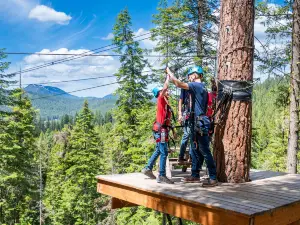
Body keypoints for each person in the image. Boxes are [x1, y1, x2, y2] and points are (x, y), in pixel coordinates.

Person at [167, 66, 218, 187]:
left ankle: (213, 177)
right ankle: (195, 175)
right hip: (196, 122)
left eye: (190, 75)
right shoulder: (202, 88)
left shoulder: (197, 85)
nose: (189, 78)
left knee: (205, 150)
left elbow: (178, 84)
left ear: (195, 75)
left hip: (199, 122)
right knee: (194, 149)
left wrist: (169, 73)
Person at [142, 75, 175, 184]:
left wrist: (173, 131)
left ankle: (148, 168)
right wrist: (168, 77)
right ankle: (161, 175)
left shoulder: (165, 102)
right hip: (161, 131)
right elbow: (165, 88)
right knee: (164, 152)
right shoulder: (161, 99)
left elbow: (167, 120)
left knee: (158, 150)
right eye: (164, 91)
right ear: (160, 93)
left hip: (162, 130)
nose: (167, 91)